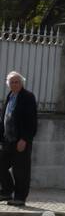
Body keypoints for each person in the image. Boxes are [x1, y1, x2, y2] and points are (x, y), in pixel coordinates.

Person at [1, 71, 38, 207]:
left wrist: (24, 139)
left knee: (20, 170)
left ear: (22, 83)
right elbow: (4, 118)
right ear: (8, 84)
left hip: (20, 140)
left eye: (17, 82)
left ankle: (20, 197)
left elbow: (31, 121)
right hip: (7, 139)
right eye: (12, 82)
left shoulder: (28, 97)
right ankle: (6, 191)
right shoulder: (10, 96)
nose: (14, 84)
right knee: (2, 165)